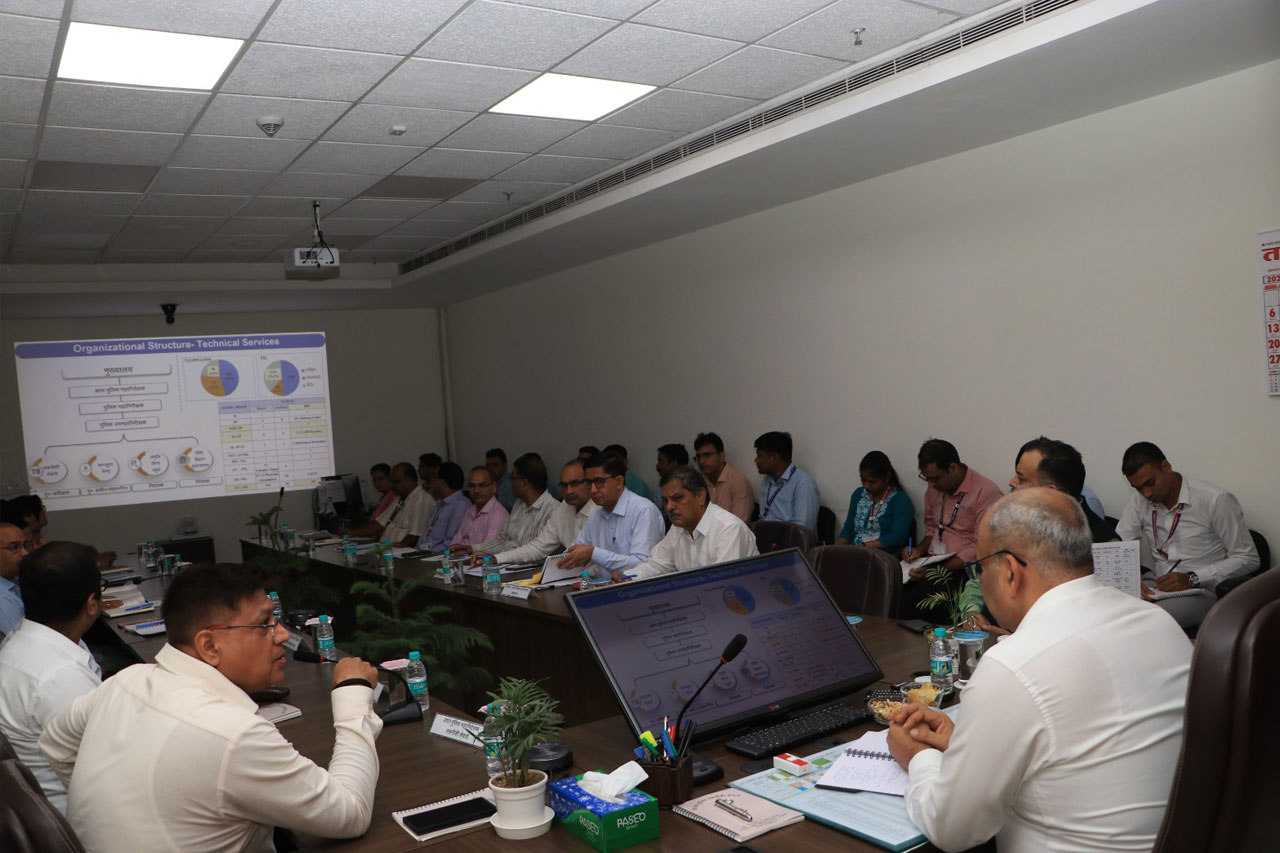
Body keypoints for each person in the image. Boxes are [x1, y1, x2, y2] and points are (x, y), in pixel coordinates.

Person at [886, 488, 1191, 851]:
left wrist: (917, 757)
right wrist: (965, 743)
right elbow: (1093, 749)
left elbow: (952, 829)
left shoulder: (1014, 664)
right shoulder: (1159, 623)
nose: (979, 580)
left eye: (979, 568)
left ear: (1010, 572)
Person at [39, 563, 382, 852]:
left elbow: (54, 743)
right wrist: (352, 693)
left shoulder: (125, 681)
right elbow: (349, 813)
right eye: (265, 623)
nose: (281, 635)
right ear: (209, 645)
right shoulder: (233, 734)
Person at [0, 542, 103, 812]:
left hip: (35, 810)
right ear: (91, 604)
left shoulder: (15, 645)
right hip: (76, 817)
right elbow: (107, 766)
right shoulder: (61, 677)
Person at [1115, 441, 1258, 629]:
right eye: (1138, 488)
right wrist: (1131, 578)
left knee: (1147, 622)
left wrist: (1192, 578)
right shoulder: (1140, 499)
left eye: (1150, 483)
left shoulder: (1214, 500)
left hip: (1202, 591)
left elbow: (1248, 558)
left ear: (1166, 467)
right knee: (1113, 611)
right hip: (1158, 584)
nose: (1146, 493)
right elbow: (1121, 543)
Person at [900, 439, 1002, 621]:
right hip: (932, 563)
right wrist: (918, 551)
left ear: (952, 468)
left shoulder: (985, 492)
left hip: (963, 570)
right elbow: (932, 529)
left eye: (935, 478)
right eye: (926, 478)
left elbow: (982, 546)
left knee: (912, 603)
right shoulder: (934, 490)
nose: (931, 485)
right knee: (891, 589)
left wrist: (935, 569)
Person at [628, 467, 758, 580]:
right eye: (665, 501)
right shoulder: (678, 528)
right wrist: (626, 578)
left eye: (677, 498)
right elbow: (656, 565)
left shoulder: (729, 528)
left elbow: (723, 582)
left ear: (700, 496)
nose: (669, 507)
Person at [560, 452, 664, 577]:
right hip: (606, 585)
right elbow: (573, 552)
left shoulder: (643, 510)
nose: (593, 490)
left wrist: (593, 553)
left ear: (619, 482)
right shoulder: (595, 516)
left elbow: (643, 565)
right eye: (589, 482)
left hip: (638, 587)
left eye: (599, 481)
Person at [477, 460, 597, 567]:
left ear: (588, 483)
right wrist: (497, 558)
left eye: (575, 484)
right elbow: (538, 547)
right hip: (572, 577)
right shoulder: (563, 508)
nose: (569, 491)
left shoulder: (599, 510)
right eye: (564, 485)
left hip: (598, 579)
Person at [1009, 436, 1117, 543]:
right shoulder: (1018, 523)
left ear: (1051, 493)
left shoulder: (1104, 545)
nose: (1012, 482)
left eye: (1021, 479)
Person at [459, 453, 558, 559]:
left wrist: (497, 558)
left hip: (531, 568)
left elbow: (536, 553)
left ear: (524, 483)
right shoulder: (519, 504)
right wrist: (473, 549)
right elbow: (503, 540)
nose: (509, 483)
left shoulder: (552, 510)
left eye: (512, 478)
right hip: (507, 564)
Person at [835, 450, 914, 552]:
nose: (866, 486)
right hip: (855, 552)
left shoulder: (900, 499)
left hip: (882, 555)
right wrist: (837, 548)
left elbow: (897, 537)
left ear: (887, 477)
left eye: (872, 482)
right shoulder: (858, 495)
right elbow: (848, 529)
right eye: (863, 480)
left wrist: (865, 546)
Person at [342, 462, 429, 547]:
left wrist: (396, 548)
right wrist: (352, 532)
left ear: (409, 480)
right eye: (392, 482)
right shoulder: (400, 497)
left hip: (399, 551)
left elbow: (416, 535)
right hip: (385, 547)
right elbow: (380, 523)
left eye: (396, 482)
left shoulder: (421, 500)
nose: (392, 486)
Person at [754, 431, 820, 532]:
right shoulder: (767, 480)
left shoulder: (804, 484)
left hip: (790, 539)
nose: (756, 460)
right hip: (766, 535)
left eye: (759, 455)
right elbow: (763, 517)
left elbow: (803, 529)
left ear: (774, 458)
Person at [693, 431, 754, 521]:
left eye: (707, 455)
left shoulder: (738, 482)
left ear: (721, 456)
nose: (702, 461)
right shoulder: (699, 483)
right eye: (698, 457)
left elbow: (739, 523)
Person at [451, 466, 511, 548]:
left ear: (493, 487)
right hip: (459, 555)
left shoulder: (498, 514)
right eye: (472, 486)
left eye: (482, 485)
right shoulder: (470, 510)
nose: (476, 491)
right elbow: (456, 541)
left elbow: (487, 550)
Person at [416, 462, 469, 553]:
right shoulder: (439, 503)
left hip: (438, 555)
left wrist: (425, 554)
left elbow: (451, 542)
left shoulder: (461, 504)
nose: (432, 481)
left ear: (443, 481)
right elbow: (425, 535)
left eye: (434, 477)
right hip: (424, 553)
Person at [0, 520, 34, 637]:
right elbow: (23, 641)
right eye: (14, 547)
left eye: (25, 545)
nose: (25, 553)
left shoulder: (15, 580)